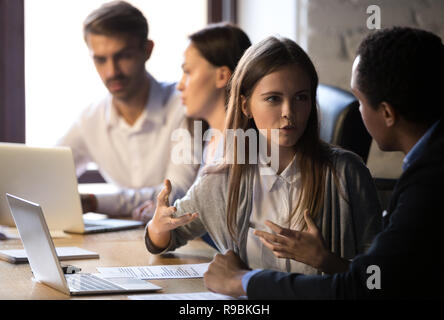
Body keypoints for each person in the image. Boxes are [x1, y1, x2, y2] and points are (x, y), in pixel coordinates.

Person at [203, 27, 444, 299]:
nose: (289, 113)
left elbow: (364, 288)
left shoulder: (429, 185)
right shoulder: (430, 163)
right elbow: (380, 278)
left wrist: (243, 281)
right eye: (274, 98)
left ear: (387, 113)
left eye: (359, 100)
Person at [145, 36, 381, 276]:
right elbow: (166, 239)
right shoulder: (222, 177)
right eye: (273, 99)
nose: (289, 113)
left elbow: (378, 277)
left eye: (301, 97)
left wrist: (324, 260)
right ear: (245, 106)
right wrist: (159, 225)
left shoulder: (346, 171)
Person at [57, 1, 198, 218]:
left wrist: (95, 202)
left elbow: (177, 194)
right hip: (122, 241)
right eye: (100, 59)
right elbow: (48, 174)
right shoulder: (90, 119)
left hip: (183, 242)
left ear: (147, 50)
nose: (112, 71)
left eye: (123, 56)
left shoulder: (185, 108)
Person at [132, 23, 251, 244]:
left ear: (222, 76)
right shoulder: (209, 138)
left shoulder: (242, 149)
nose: (180, 86)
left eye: (188, 72)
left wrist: (174, 220)